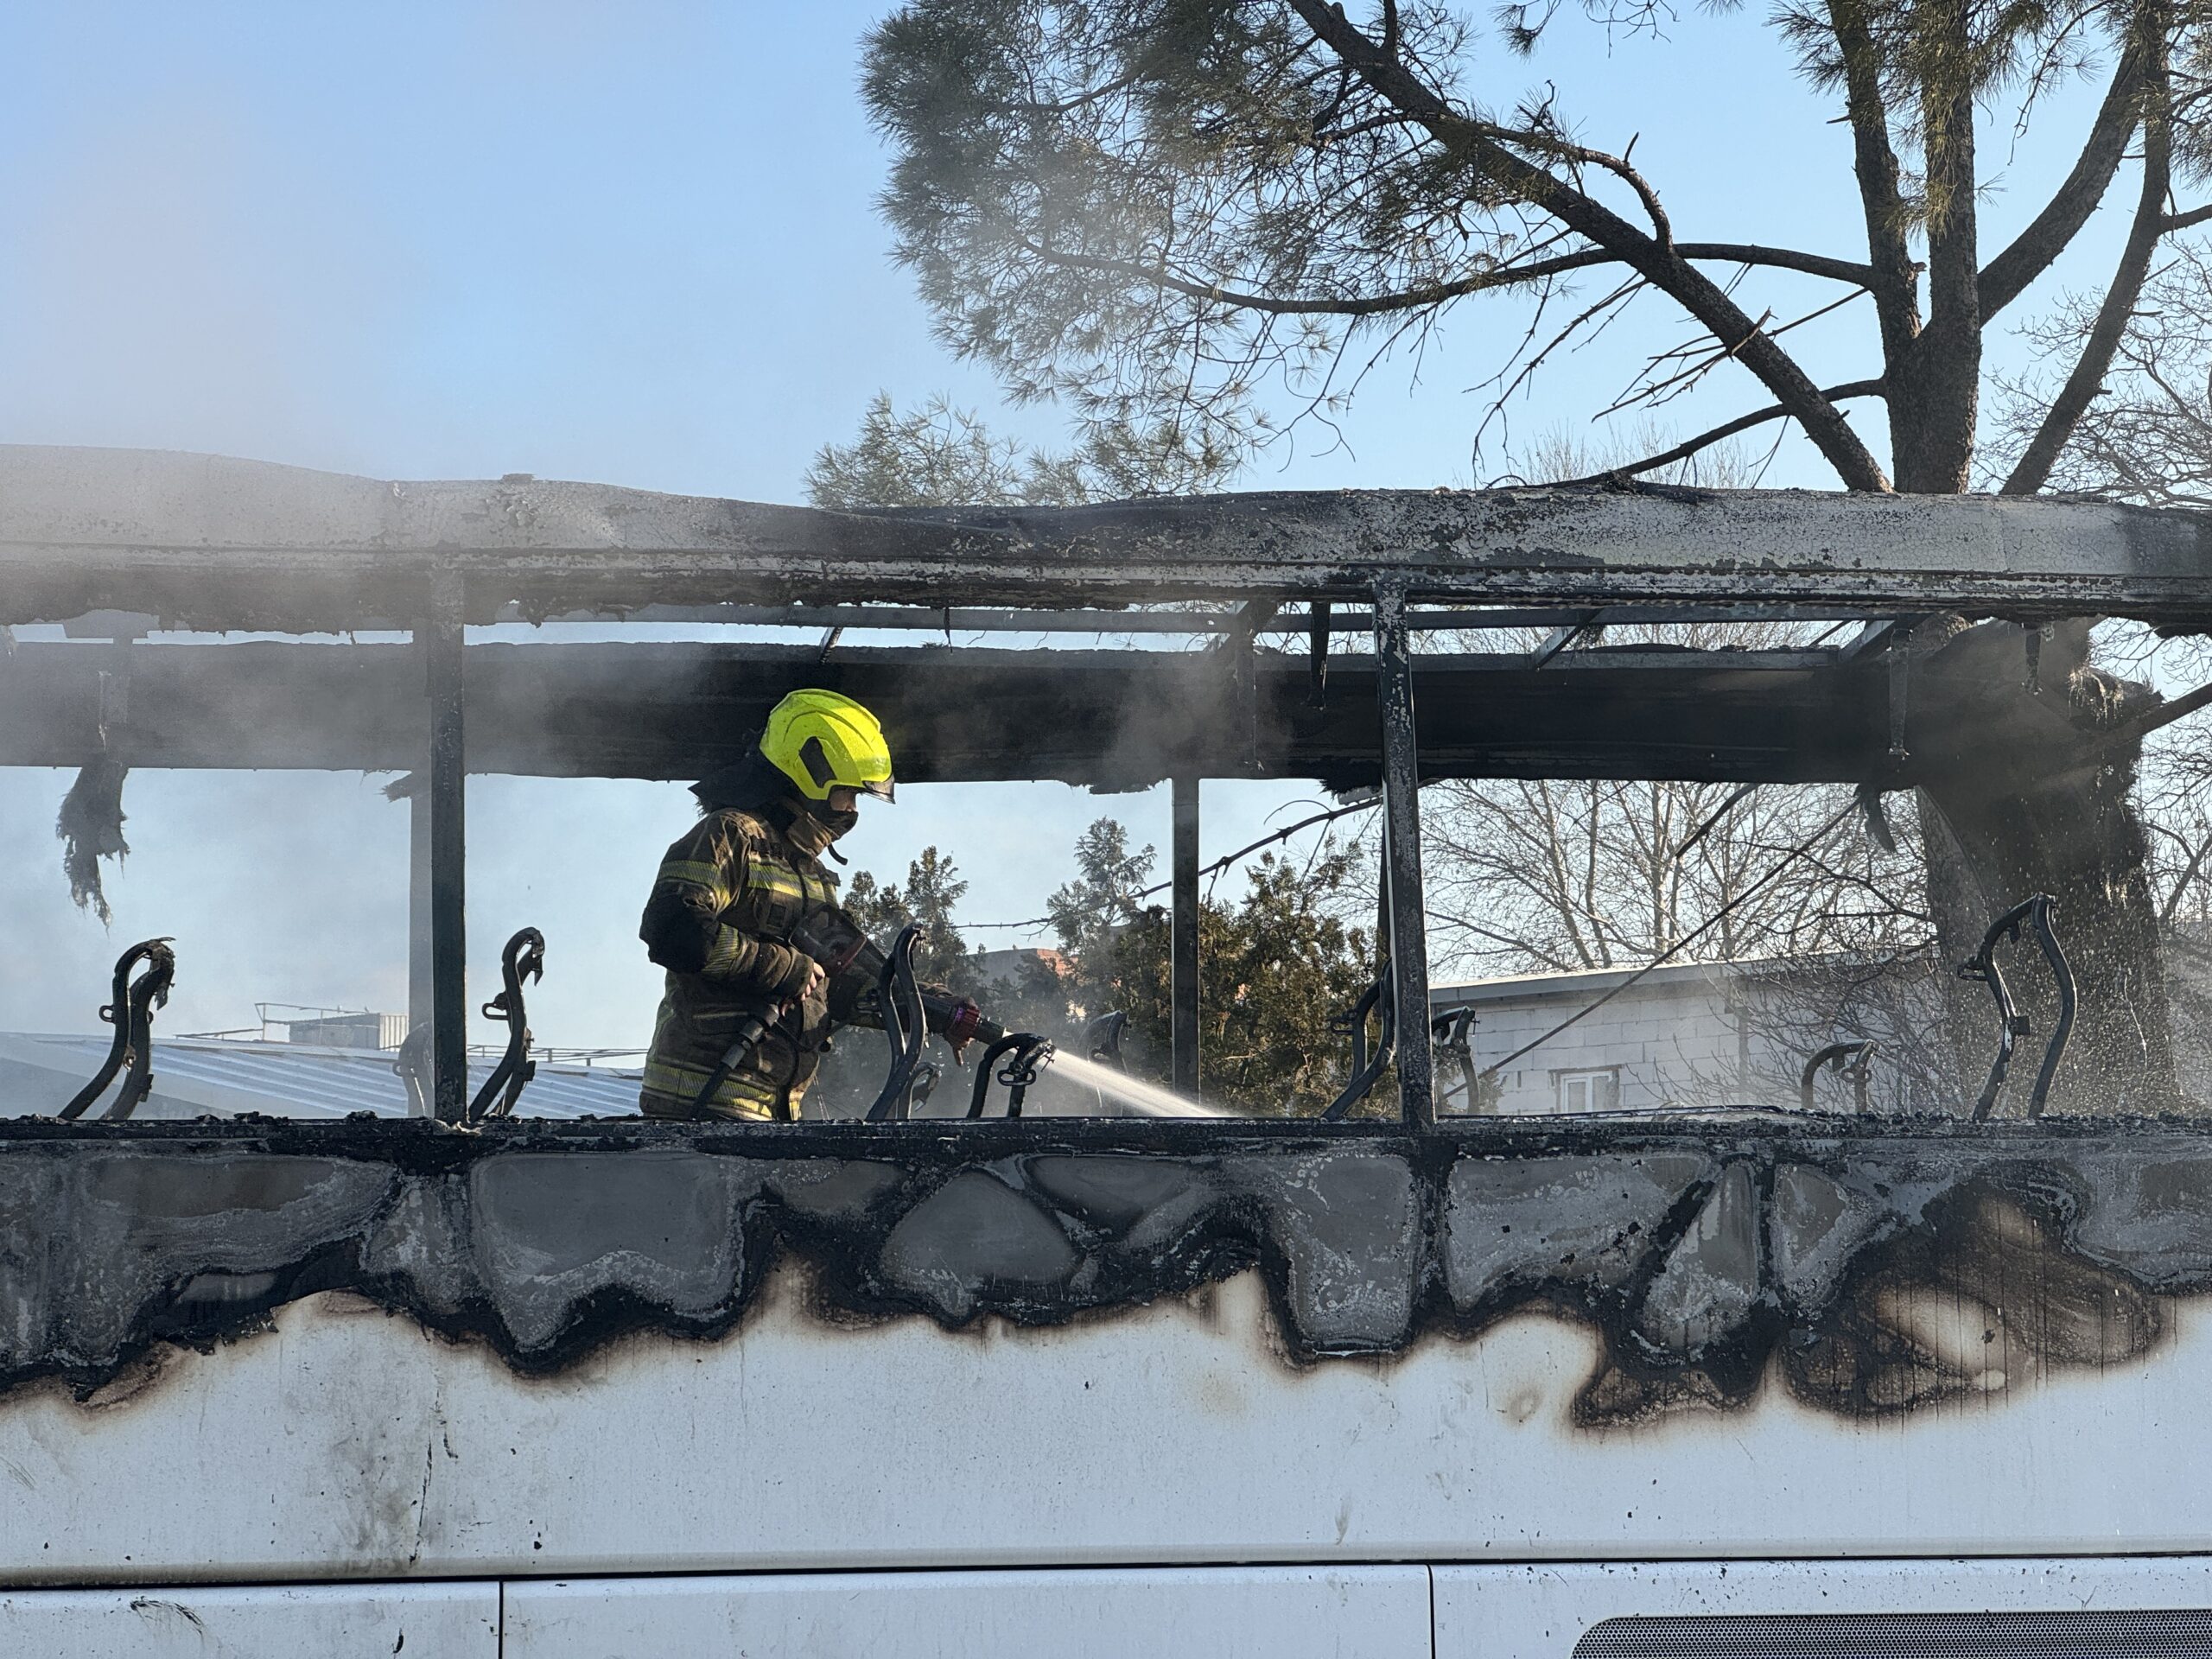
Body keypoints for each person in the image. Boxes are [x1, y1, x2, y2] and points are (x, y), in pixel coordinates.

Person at [636, 688, 894, 1121]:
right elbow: (674, 929)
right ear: (808, 777)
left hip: (771, 1113)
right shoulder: (730, 836)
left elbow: (838, 983)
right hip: (702, 1105)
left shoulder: (812, 875)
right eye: (846, 792)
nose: (850, 810)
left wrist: (937, 1010)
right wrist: (782, 966)